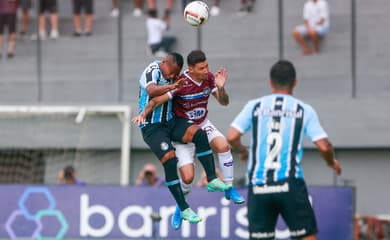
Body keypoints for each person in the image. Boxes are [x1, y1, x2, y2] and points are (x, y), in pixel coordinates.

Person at [226, 60, 342, 240]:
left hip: (259, 185)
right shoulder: (304, 110)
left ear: (270, 82)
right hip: (290, 184)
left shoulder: (254, 106)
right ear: (295, 82)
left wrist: (242, 151)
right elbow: (324, 146)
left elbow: (232, 136)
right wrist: (331, 162)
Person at [133, 50, 245, 230]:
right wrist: (143, 114)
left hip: (178, 122)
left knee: (218, 142)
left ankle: (217, 182)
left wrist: (221, 87)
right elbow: (153, 96)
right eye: (202, 67)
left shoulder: (205, 79)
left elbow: (224, 102)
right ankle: (182, 207)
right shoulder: (164, 76)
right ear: (191, 69)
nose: (207, 70)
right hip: (154, 127)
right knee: (182, 171)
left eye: (207, 66)